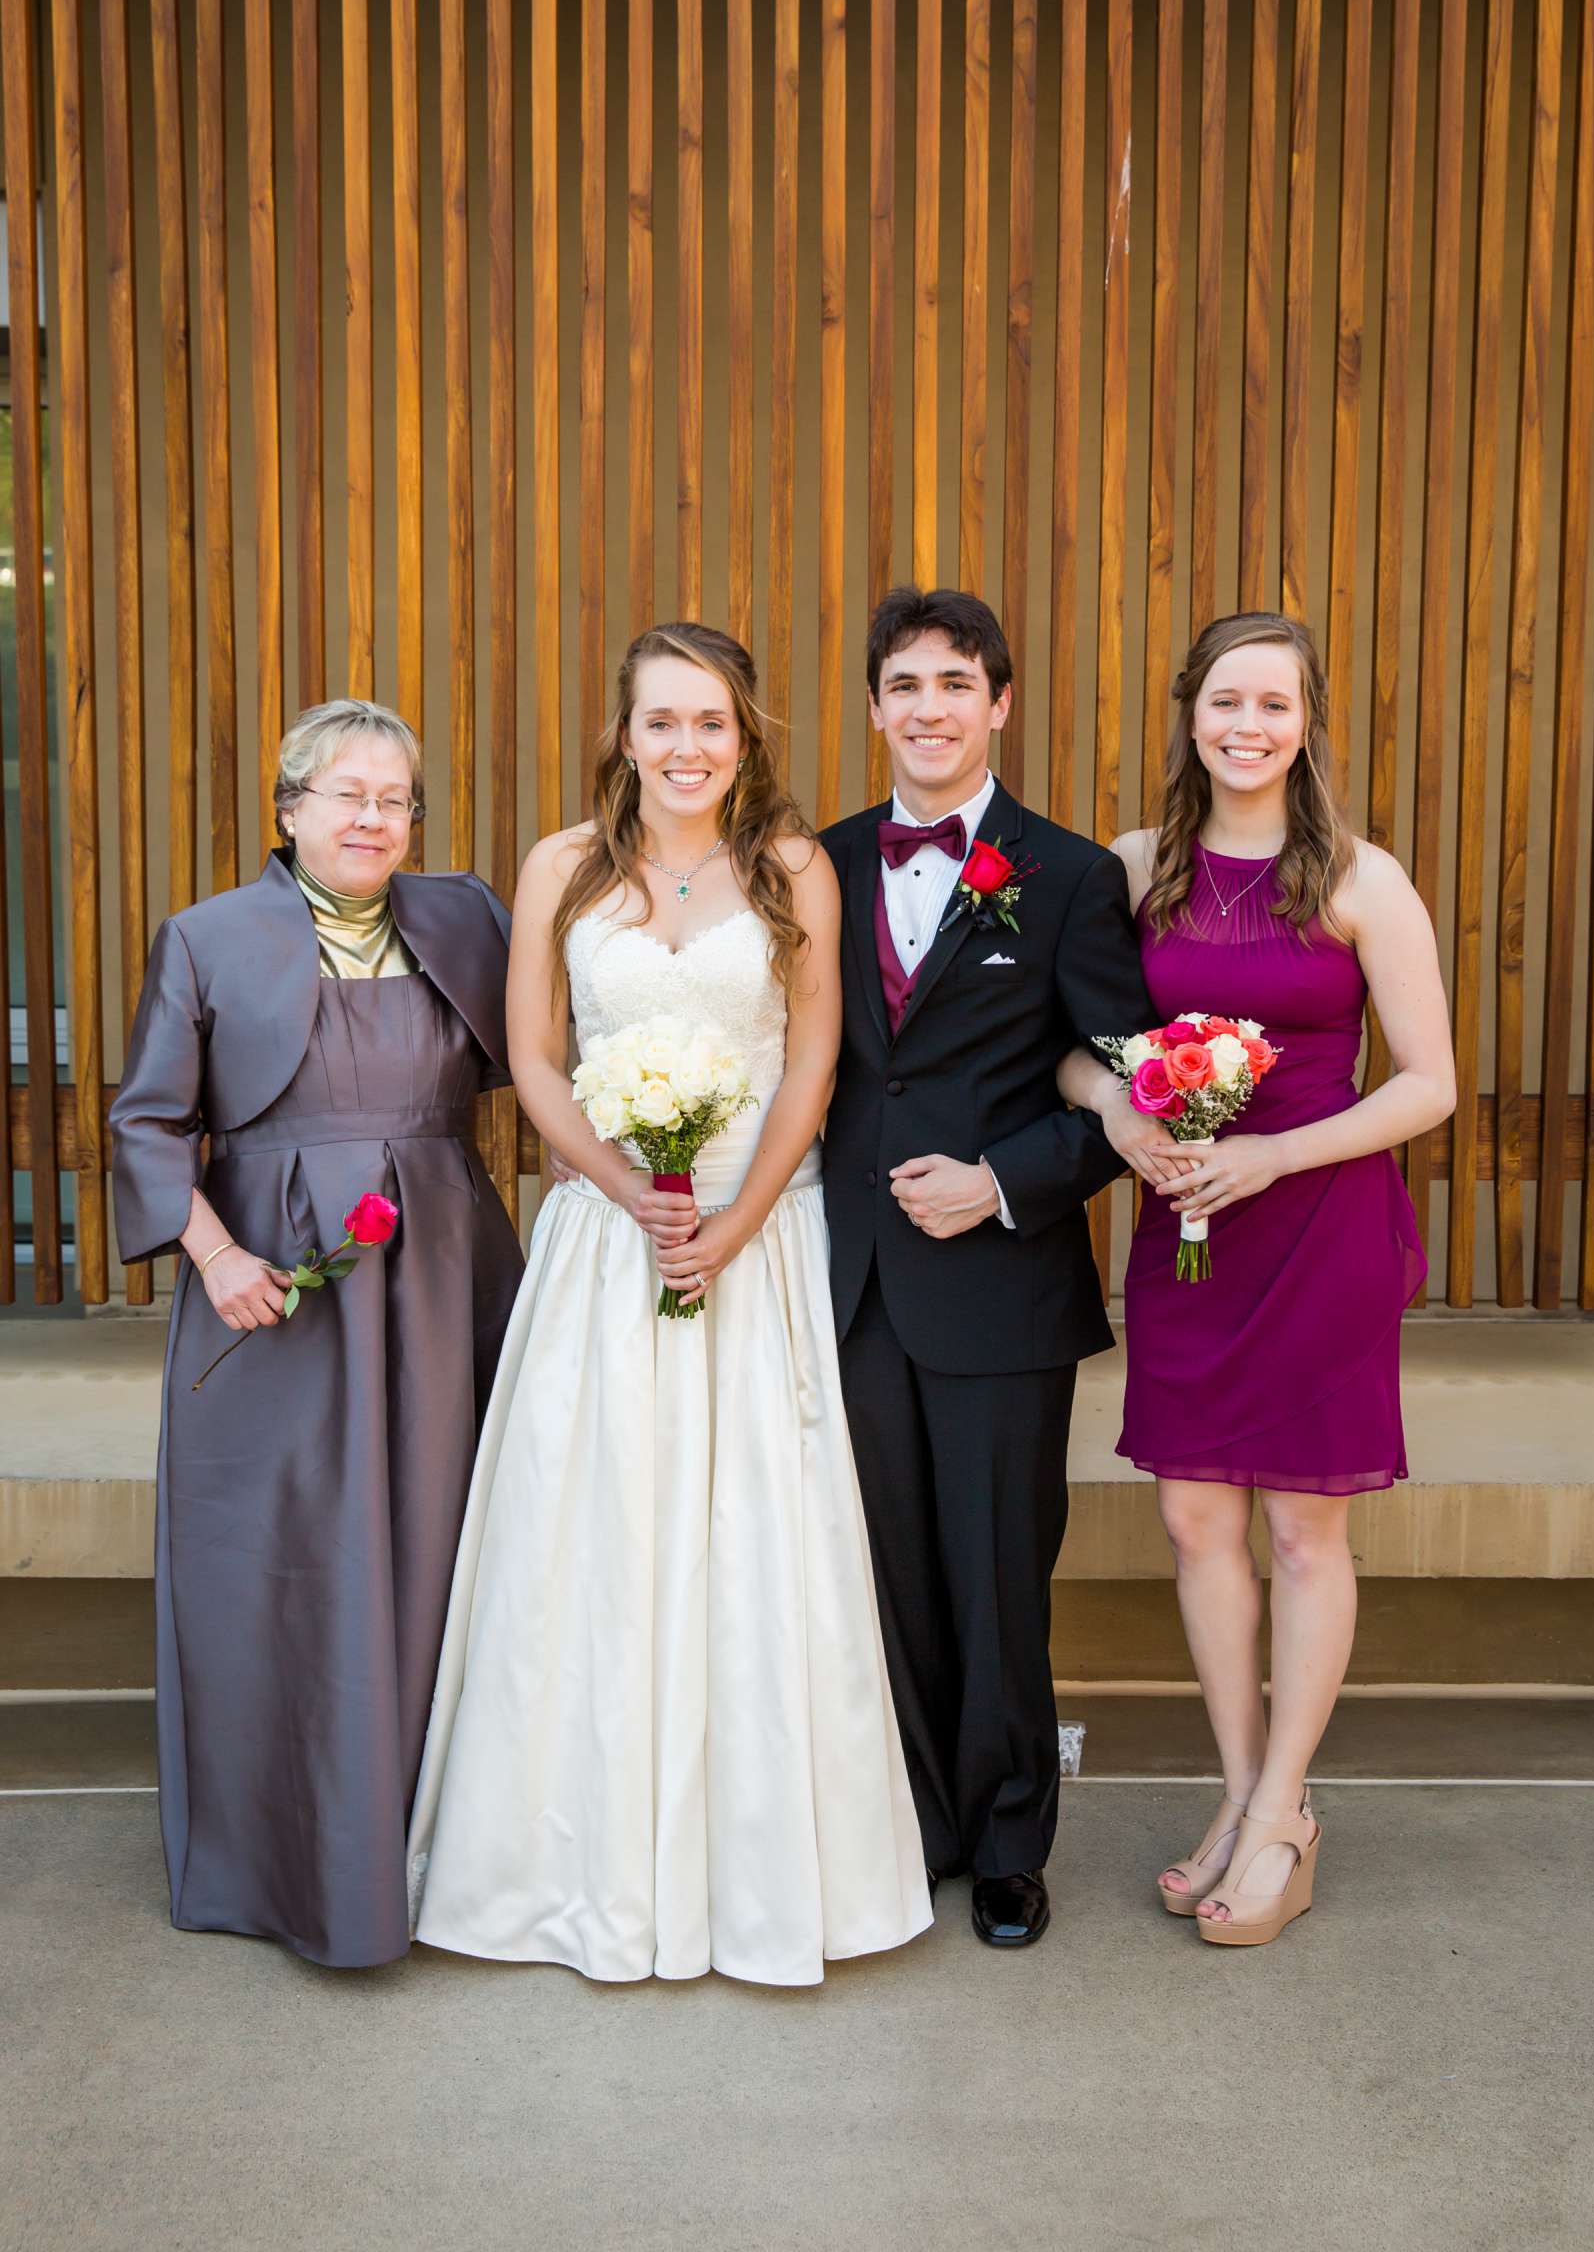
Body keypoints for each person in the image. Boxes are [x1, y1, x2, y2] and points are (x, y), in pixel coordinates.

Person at [406, 623, 930, 1986]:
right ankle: (563, 1868)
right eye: (661, 723)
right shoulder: (562, 867)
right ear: (623, 734)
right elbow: (532, 1058)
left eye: (711, 723)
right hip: (606, 1238)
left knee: (758, 1535)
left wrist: (738, 1221)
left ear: (744, 735)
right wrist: (635, 1197)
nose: (686, 747)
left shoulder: (797, 868)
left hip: (756, 1239)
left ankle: (753, 1880)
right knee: (593, 1528)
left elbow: (812, 1064)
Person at [1059, 612, 1455, 1947]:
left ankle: (1286, 1809)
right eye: (1226, 700)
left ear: (1306, 722)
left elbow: (1428, 1084)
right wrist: (1126, 1117)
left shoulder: (1356, 876)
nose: (1247, 726)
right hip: (1191, 1232)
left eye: (1273, 705)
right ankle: (1238, 1794)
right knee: (1194, 1525)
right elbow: (1074, 1046)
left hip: (1316, 1227)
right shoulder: (1134, 872)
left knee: (1303, 1529)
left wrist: (1277, 1150)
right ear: (1190, 715)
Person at [109, 699, 524, 1968]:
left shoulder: (468, 917)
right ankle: (294, 1860)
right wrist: (219, 1255)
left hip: (447, 1268)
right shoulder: (206, 937)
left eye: (394, 798)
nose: (371, 819)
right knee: (286, 1559)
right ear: (288, 809)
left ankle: (453, 1853)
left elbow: (559, 1065)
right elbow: (144, 1124)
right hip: (276, 1286)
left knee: (451, 1539)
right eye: (345, 794)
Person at [819, 587, 1154, 1949]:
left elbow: (1131, 1097)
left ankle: (1012, 1841)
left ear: (1000, 703)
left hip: (1001, 1287)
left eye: (958, 683)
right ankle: (916, 1828)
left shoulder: (1065, 876)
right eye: (906, 684)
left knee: (1002, 1571)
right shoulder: (819, 862)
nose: (931, 708)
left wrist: (1003, 1182)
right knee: (884, 1570)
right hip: (846, 1282)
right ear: (879, 706)